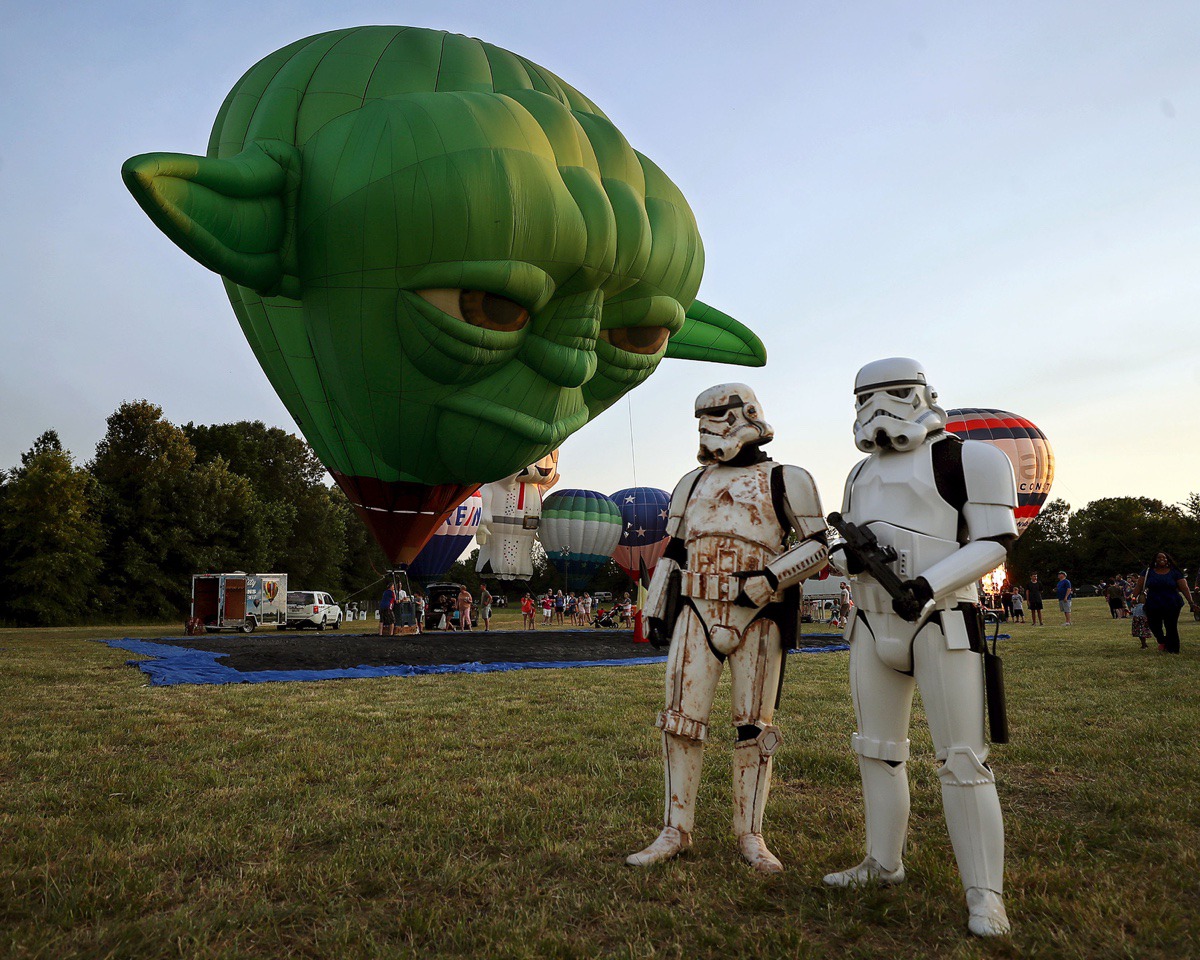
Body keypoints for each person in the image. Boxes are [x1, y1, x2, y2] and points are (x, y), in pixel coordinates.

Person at [822, 358, 1017, 937]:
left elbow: (995, 541)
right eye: (868, 398)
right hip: (873, 623)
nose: (881, 409)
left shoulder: (970, 459)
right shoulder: (859, 475)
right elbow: (845, 548)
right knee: (876, 749)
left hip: (942, 619)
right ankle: (883, 861)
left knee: (962, 758)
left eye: (898, 394)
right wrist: (845, 559)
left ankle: (985, 893)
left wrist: (928, 586)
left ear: (927, 394)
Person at [627, 383, 829, 875]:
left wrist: (771, 579)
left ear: (747, 415)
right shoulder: (690, 484)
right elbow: (673, 552)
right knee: (679, 719)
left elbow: (821, 545)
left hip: (758, 613)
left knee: (754, 727)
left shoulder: (787, 479)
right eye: (703, 419)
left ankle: (751, 833)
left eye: (718, 416)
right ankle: (675, 827)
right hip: (695, 610)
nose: (708, 428)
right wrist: (655, 607)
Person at [1132, 552, 1196, 654]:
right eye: (1159, 557)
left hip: (1172, 603)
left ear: (1168, 560)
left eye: (1164, 557)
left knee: (1171, 626)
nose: (1162, 559)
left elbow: (1184, 588)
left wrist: (1191, 602)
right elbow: (1139, 586)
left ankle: (1173, 649)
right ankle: (1162, 641)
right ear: (1155, 560)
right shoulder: (1148, 571)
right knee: (1154, 625)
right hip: (1153, 603)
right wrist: (1134, 597)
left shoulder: (1175, 572)